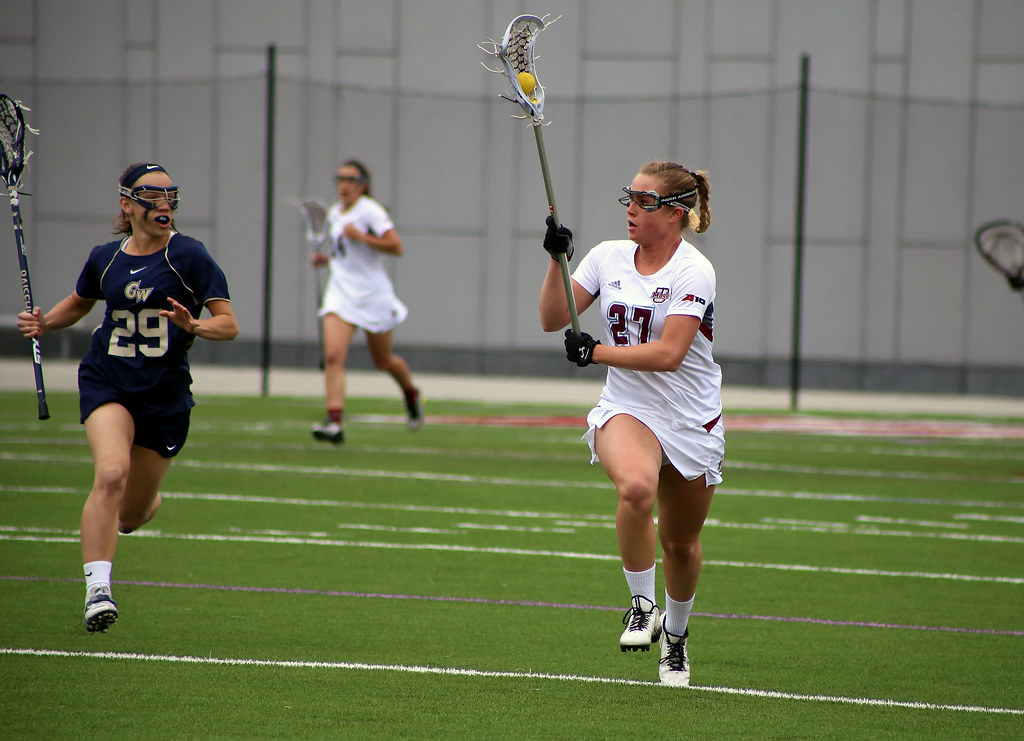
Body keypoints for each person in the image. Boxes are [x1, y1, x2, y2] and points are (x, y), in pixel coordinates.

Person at [17, 162, 239, 633]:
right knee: (111, 473)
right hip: (109, 380)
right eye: (151, 196)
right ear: (127, 204)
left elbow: (228, 324)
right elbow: (80, 301)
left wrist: (195, 325)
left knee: (133, 512)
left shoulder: (189, 256)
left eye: (169, 196)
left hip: (164, 394)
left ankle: (143, 505)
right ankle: (98, 590)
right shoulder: (106, 257)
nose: (164, 204)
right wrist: (44, 322)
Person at [538, 161, 723, 687]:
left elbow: (669, 354)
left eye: (645, 201)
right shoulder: (607, 256)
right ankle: (642, 606)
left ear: (676, 213)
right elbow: (553, 318)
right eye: (630, 198)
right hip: (628, 407)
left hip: (689, 416)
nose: (632, 210)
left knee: (680, 544)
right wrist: (556, 260)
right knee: (637, 488)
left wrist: (595, 351)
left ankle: (676, 637)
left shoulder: (693, 270)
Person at [310, 159, 422, 444]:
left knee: (384, 360)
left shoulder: (370, 210)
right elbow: (346, 256)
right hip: (341, 293)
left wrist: (360, 236)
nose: (345, 185)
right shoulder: (335, 212)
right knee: (333, 355)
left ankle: (410, 393)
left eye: (352, 180)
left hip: (372, 296)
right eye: (341, 179)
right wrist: (327, 260)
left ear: (362, 185)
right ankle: (335, 421)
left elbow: (396, 246)